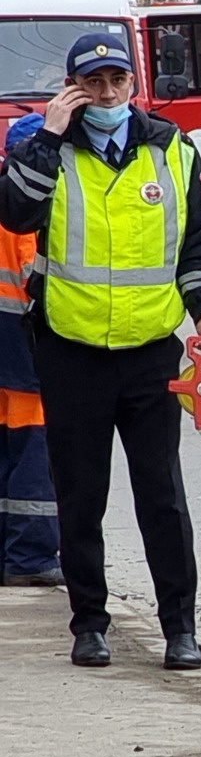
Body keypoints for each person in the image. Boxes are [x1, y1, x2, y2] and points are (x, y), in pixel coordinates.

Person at [0, 32, 201, 667]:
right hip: (70, 350)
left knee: (162, 495)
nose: (106, 94)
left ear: (133, 84)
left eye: (116, 82)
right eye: (93, 83)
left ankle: (180, 628)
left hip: (150, 350)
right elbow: (15, 216)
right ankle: (89, 624)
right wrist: (48, 136)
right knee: (81, 495)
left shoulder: (173, 151)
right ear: (73, 87)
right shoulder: (45, 149)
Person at [0, 115, 58, 588]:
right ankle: (31, 556)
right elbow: (33, 283)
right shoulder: (25, 210)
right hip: (23, 348)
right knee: (34, 454)